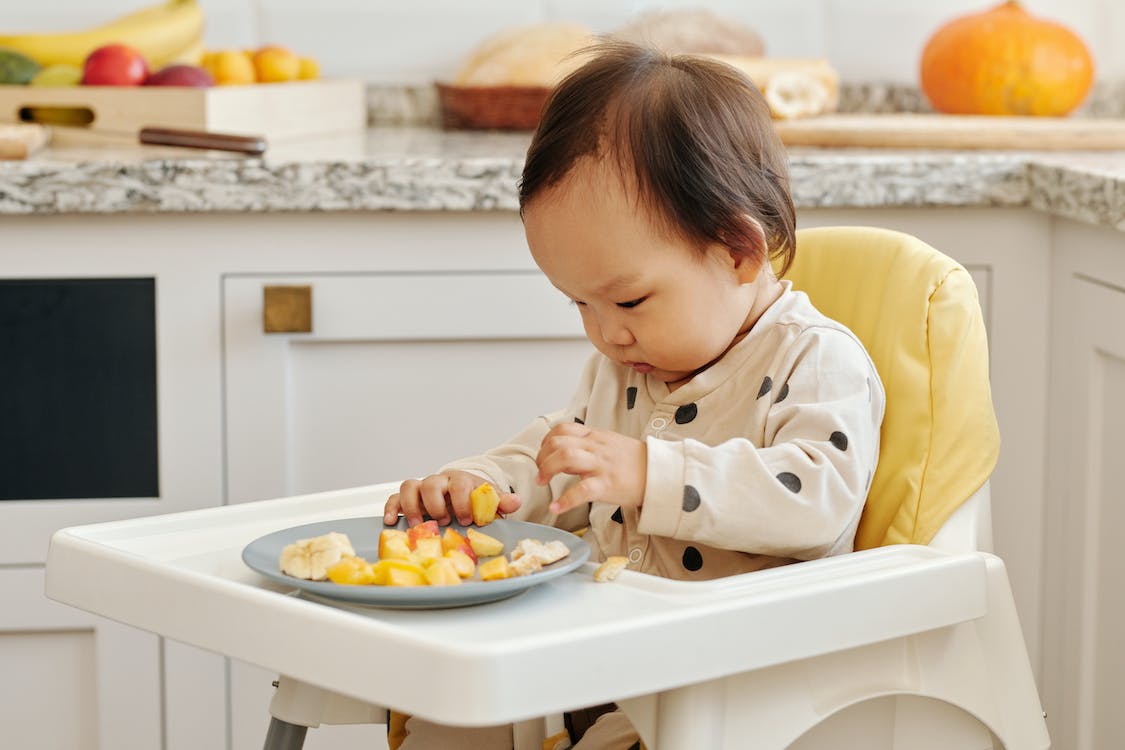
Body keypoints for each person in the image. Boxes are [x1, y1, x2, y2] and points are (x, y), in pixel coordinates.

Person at [386, 40, 885, 750]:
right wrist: (482, 484)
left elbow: (816, 498)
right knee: (450, 712)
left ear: (737, 252)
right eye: (578, 306)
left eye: (627, 299)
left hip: (744, 688)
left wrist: (652, 472)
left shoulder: (814, 357)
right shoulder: (633, 358)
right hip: (619, 659)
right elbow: (566, 449)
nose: (605, 335)